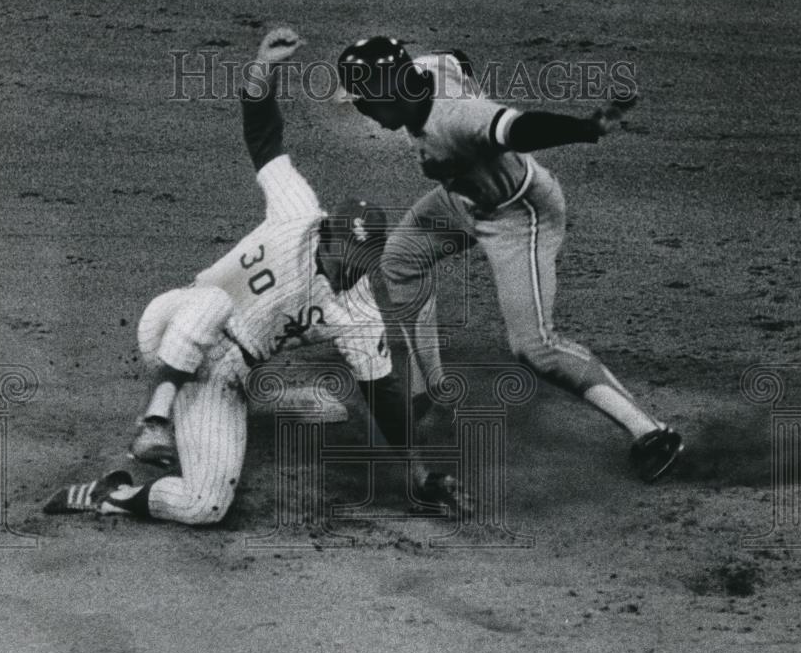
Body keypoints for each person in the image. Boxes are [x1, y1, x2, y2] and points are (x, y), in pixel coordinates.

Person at [44, 29, 459, 523]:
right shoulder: (298, 213)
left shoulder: (360, 311)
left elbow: (385, 397)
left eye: (350, 265)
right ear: (326, 233)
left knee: (206, 506)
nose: (337, 268)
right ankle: (155, 418)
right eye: (335, 253)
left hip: (223, 376)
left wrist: (419, 474)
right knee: (214, 303)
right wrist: (264, 67)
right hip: (172, 324)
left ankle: (111, 495)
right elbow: (263, 136)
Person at [337, 37, 683, 481]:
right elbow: (456, 57)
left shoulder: (459, 118)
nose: (363, 113)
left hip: (519, 216)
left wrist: (587, 128)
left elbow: (520, 129)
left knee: (534, 348)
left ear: (388, 92)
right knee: (401, 259)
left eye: (364, 103)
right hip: (462, 201)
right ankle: (433, 389)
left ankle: (652, 432)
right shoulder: (424, 70)